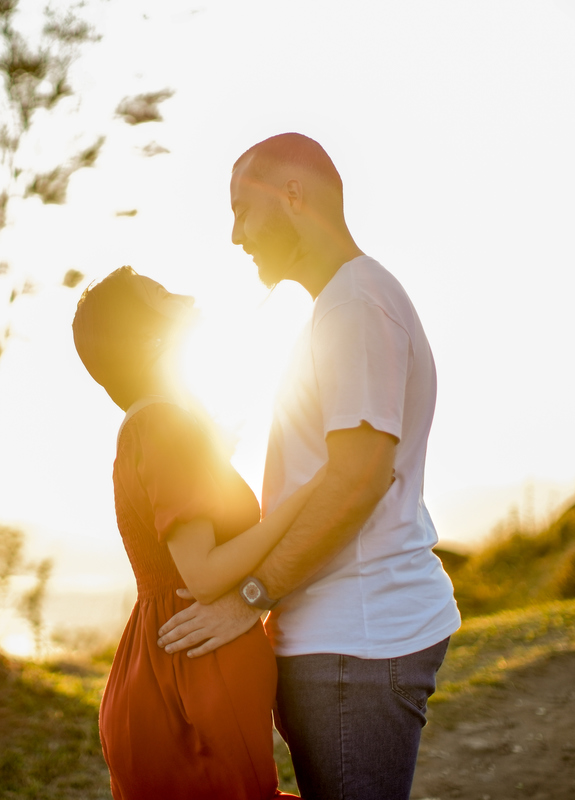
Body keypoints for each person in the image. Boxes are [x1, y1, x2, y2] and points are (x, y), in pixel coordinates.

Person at [157, 133, 462, 800]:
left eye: (242, 209)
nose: (235, 235)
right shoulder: (344, 304)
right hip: (343, 638)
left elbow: (359, 477)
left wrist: (250, 599)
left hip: (359, 641)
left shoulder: (356, 305)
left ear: (293, 195)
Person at [72, 266, 308, 800]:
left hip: (159, 664)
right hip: (195, 671)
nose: (185, 297)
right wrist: (298, 507)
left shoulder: (149, 424)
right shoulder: (162, 427)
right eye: (159, 295)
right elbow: (201, 575)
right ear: (145, 336)